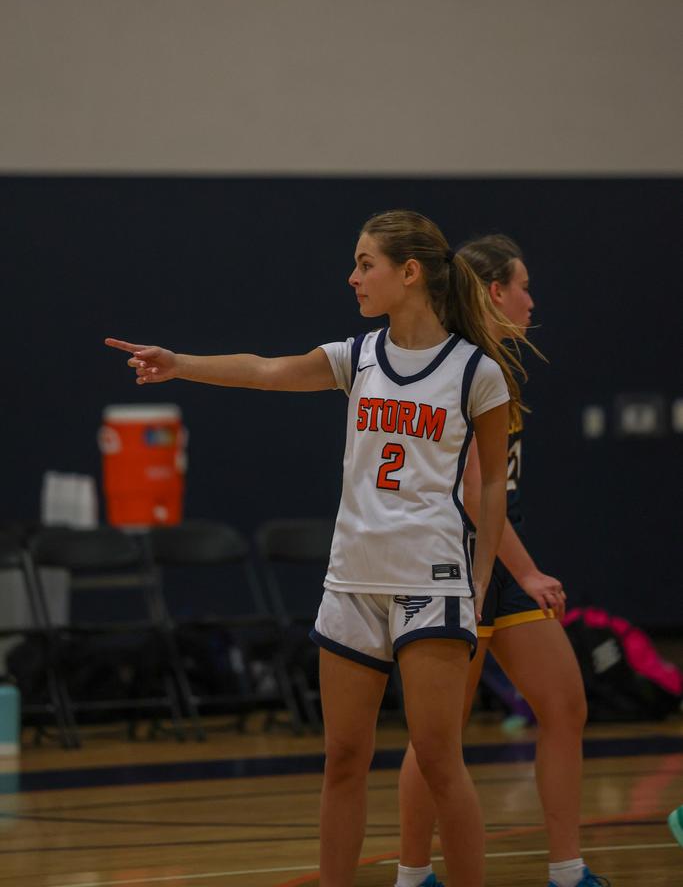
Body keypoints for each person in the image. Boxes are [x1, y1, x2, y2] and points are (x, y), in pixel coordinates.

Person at [106, 210, 524, 887]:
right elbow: (264, 370)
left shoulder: (475, 372)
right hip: (352, 579)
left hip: (431, 579)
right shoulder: (357, 356)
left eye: (365, 263)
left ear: (408, 272)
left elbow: (492, 488)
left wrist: (478, 583)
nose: (352, 276)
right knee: (342, 760)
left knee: (438, 761)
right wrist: (179, 364)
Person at [396, 234, 609, 887]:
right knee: (439, 736)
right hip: (454, 560)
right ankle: (412, 875)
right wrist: (529, 571)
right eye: (523, 285)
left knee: (564, 705)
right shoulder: (458, 368)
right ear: (495, 291)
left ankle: (567, 871)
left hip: (500, 555)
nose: (531, 300)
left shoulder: (497, 366)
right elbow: (470, 493)